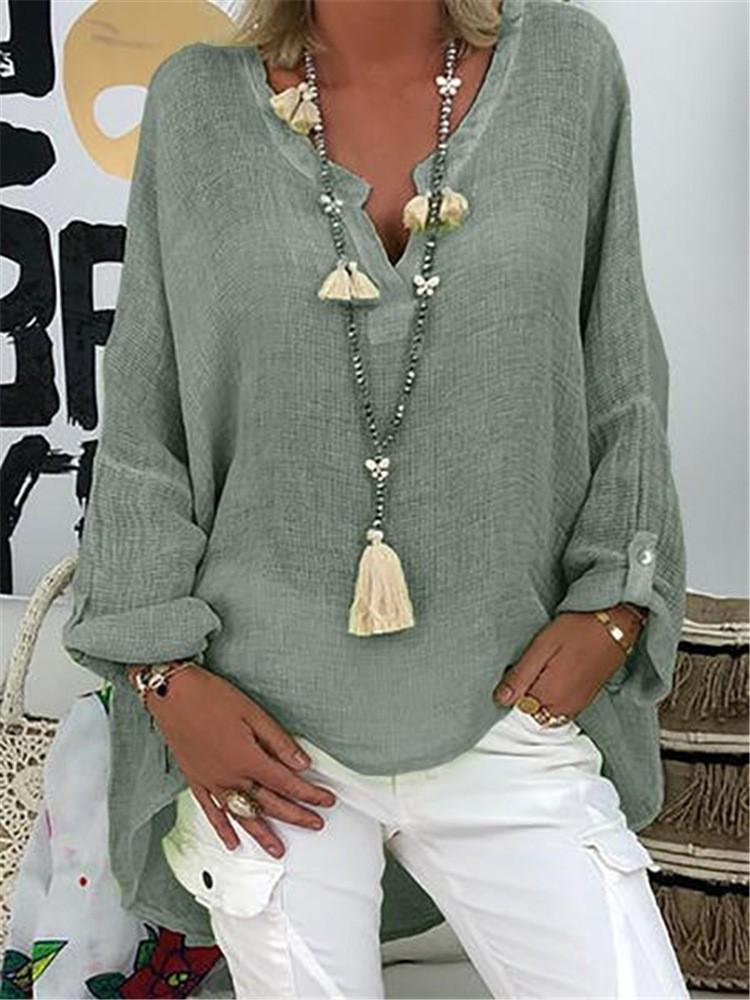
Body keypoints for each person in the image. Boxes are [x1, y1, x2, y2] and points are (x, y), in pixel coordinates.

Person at [62, 0, 690, 996]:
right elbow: (147, 411)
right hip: (261, 726)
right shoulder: (196, 103)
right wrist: (165, 677)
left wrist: (618, 600)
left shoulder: (567, 69)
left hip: (505, 698)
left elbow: (622, 369)